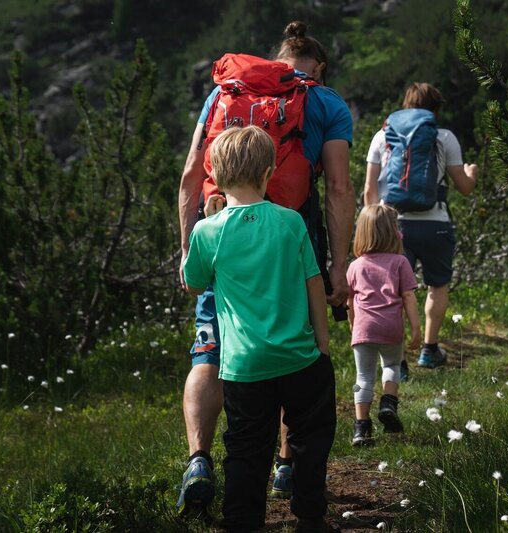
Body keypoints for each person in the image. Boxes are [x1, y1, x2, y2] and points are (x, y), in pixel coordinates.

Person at [176, 21, 353, 510]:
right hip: (291, 236)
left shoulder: (225, 94)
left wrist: (188, 247)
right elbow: (339, 188)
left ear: (276, 61)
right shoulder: (324, 102)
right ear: (319, 67)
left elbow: (191, 175)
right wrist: (340, 265)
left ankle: (199, 461)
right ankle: (288, 466)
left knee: (210, 351)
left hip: (219, 233)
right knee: (288, 344)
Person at [183, 126, 336, 532]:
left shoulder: (208, 231)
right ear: (269, 172)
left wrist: (208, 221)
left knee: (246, 447)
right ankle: (310, 517)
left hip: (243, 366)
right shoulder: (290, 221)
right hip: (300, 357)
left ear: (216, 173)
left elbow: (193, 284)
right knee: (309, 439)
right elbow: (314, 282)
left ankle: (243, 521)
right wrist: (322, 344)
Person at [364, 82, 479, 370]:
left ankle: (398, 360)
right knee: (437, 285)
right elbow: (465, 188)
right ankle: (429, 350)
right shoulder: (444, 137)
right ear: (435, 110)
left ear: (405, 105)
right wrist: (472, 172)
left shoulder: (383, 136)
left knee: (394, 292)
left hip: (393, 226)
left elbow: (369, 191)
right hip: (435, 224)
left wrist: (374, 227)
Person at [346, 205, 421, 445]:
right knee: (391, 365)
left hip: (363, 328)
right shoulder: (400, 262)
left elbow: (350, 301)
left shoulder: (355, 266)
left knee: (363, 376)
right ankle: (388, 403)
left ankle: (361, 428)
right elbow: (408, 296)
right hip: (391, 327)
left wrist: (353, 325)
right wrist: (416, 328)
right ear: (393, 232)